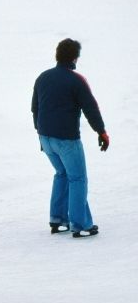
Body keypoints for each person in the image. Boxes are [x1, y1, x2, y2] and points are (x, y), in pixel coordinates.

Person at [31, 38, 108, 238]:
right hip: (66, 139)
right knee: (77, 178)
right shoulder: (76, 80)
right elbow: (91, 108)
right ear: (74, 58)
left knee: (62, 174)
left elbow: (35, 109)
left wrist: (40, 133)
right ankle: (80, 224)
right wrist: (101, 131)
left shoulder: (43, 77)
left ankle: (57, 219)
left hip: (46, 138)